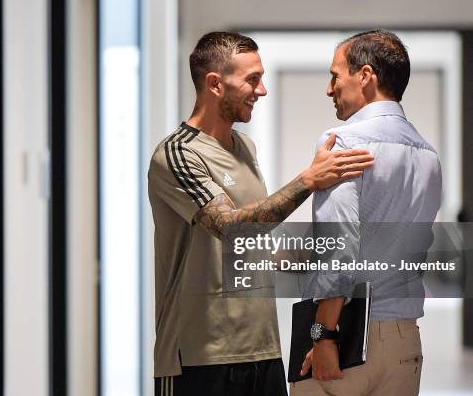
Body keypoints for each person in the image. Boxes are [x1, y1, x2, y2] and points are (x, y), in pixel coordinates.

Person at [147, 31, 374, 396]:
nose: (262, 90)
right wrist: (308, 180)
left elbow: (251, 246)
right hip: (199, 357)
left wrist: (331, 248)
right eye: (252, 79)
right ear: (215, 84)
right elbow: (230, 228)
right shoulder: (176, 154)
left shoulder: (244, 147)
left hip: (264, 349)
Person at [290, 30, 442, 396]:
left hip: (344, 339)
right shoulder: (429, 156)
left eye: (335, 76)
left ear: (366, 76)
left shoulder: (341, 144)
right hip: (405, 342)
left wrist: (323, 335)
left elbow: (338, 248)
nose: (330, 89)